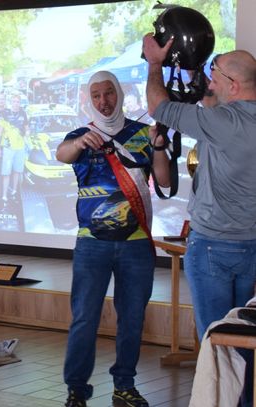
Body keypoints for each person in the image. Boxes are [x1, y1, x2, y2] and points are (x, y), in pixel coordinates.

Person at [55, 71, 170, 407]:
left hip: (136, 243)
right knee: (84, 318)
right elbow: (62, 154)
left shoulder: (142, 133)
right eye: (96, 95)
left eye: (108, 93)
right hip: (92, 244)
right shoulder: (81, 135)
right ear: (89, 100)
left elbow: (164, 180)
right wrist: (79, 143)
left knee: (132, 319)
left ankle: (125, 385)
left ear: (119, 94)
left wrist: (159, 146)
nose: (103, 101)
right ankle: (76, 389)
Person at [142, 35, 256, 341]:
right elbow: (211, 100)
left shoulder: (223, 123)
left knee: (217, 341)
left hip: (213, 246)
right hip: (251, 246)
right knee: (245, 341)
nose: (211, 84)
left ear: (234, 86)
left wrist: (155, 63)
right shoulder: (233, 120)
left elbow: (157, 106)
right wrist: (195, 69)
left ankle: (217, 375)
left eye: (216, 79)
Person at [0, 93, 28, 205]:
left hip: (20, 147)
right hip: (8, 147)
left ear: (20, 103)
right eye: (14, 101)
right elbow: (0, 130)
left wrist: (27, 133)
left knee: (17, 171)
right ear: (11, 102)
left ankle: (14, 191)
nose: (16, 104)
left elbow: (26, 128)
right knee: (6, 172)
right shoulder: (5, 113)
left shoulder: (23, 113)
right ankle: (4, 195)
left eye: (18, 102)